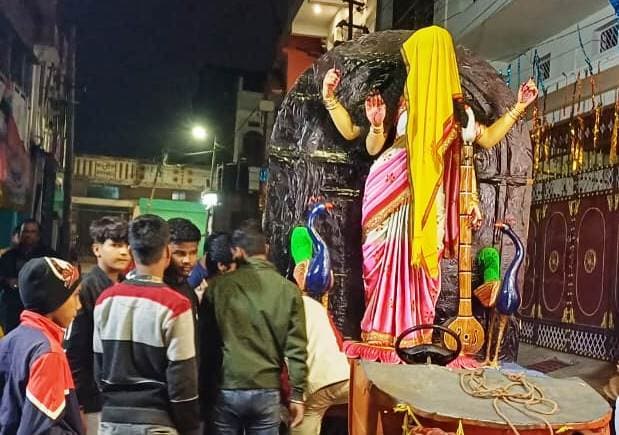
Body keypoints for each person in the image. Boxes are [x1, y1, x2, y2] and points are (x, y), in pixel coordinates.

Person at [321, 26, 539, 360]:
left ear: (431, 62)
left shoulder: (458, 113)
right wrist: (366, 118)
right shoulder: (401, 102)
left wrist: (519, 107)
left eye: (414, 61)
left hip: (427, 200)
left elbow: (482, 141)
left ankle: (414, 332)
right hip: (387, 188)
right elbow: (367, 143)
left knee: (422, 263)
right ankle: (380, 331)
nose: (409, 68)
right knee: (380, 258)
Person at [93, 215, 200, 435]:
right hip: (157, 421)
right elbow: (182, 379)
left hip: (111, 420)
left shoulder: (105, 299)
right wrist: (190, 426)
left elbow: (99, 367)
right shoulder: (176, 305)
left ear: (131, 251)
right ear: (167, 252)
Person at [200, 224, 308, 434]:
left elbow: (206, 345)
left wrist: (204, 393)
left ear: (237, 251)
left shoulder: (219, 287)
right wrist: (297, 395)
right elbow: (297, 348)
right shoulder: (289, 291)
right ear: (265, 249)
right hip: (267, 390)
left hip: (227, 387)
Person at [0, 257, 83, 434]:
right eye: (75, 296)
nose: (79, 305)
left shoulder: (10, 340)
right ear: (55, 300)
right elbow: (41, 430)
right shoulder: (48, 352)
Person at [65, 216, 130, 434]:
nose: (124, 252)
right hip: (94, 396)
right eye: (116, 245)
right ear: (97, 249)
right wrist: (79, 402)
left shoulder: (126, 285)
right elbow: (76, 349)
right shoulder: (88, 288)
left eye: (127, 245)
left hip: (119, 395)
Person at [0, 219, 57, 333]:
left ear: (38, 235)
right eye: (25, 231)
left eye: (32, 232)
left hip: (38, 310)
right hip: (12, 308)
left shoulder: (48, 256)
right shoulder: (8, 256)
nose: (28, 235)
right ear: (20, 234)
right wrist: (8, 281)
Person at [164, 218, 201, 314]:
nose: (187, 260)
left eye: (193, 253)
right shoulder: (158, 291)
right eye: (180, 253)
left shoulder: (186, 287)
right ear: (165, 252)